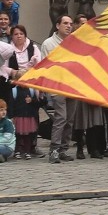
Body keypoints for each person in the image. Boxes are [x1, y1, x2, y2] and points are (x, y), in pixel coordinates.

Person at [2, 25, 43, 160]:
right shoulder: (8, 49)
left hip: (31, 82)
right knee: (17, 113)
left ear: (25, 35)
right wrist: (15, 72)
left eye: (21, 34)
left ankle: (32, 145)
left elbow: (40, 63)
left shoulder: (33, 47)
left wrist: (31, 67)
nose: (19, 36)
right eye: (15, 34)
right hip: (15, 82)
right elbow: (3, 66)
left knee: (33, 112)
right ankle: (18, 146)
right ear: (12, 37)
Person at [41, 15, 78, 163]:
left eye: (70, 23)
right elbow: (45, 66)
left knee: (69, 120)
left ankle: (63, 149)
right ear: (57, 26)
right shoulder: (48, 43)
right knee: (60, 118)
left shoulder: (74, 42)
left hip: (72, 86)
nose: (69, 26)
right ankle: (54, 150)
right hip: (57, 86)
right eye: (65, 23)